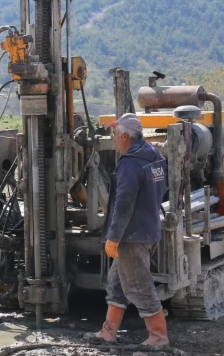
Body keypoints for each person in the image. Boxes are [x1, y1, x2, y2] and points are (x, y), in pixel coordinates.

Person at [91, 113, 169, 346]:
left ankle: (158, 338)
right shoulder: (154, 156)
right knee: (116, 284)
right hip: (148, 230)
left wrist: (113, 238)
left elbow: (123, 205)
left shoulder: (130, 164)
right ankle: (108, 332)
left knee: (138, 287)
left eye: (115, 134)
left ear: (125, 135)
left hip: (131, 237)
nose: (113, 138)